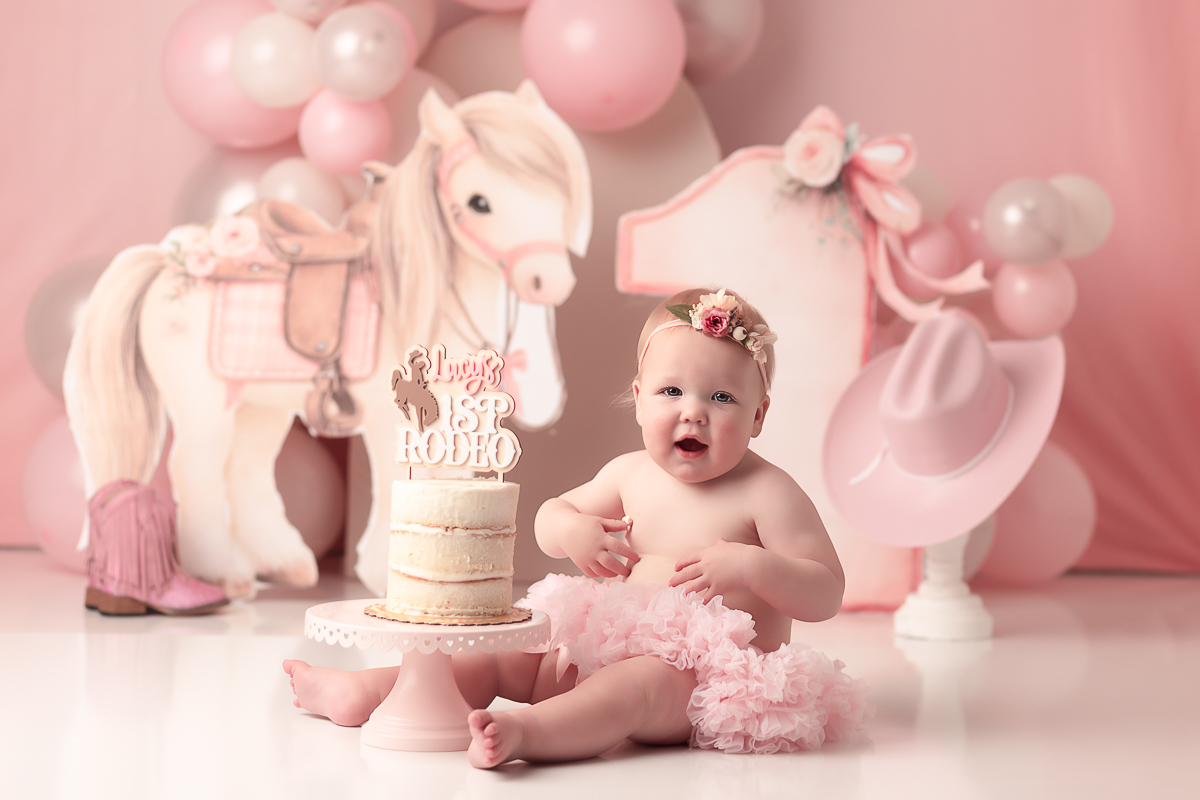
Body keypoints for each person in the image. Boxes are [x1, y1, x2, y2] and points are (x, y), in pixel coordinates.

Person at [284, 288, 869, 767]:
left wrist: (752, 565)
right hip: (598, 648)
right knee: (502, 657)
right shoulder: (629, 473)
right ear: (639, 401)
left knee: (631, 690)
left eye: (722, 397)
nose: (693, 411)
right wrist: (574, 534)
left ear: (759, 414)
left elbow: (825, 589)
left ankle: (527, 732)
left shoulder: (768, 491)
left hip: (698, 681)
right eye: (671, 391)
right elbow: (548, 517)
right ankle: (369, 692)